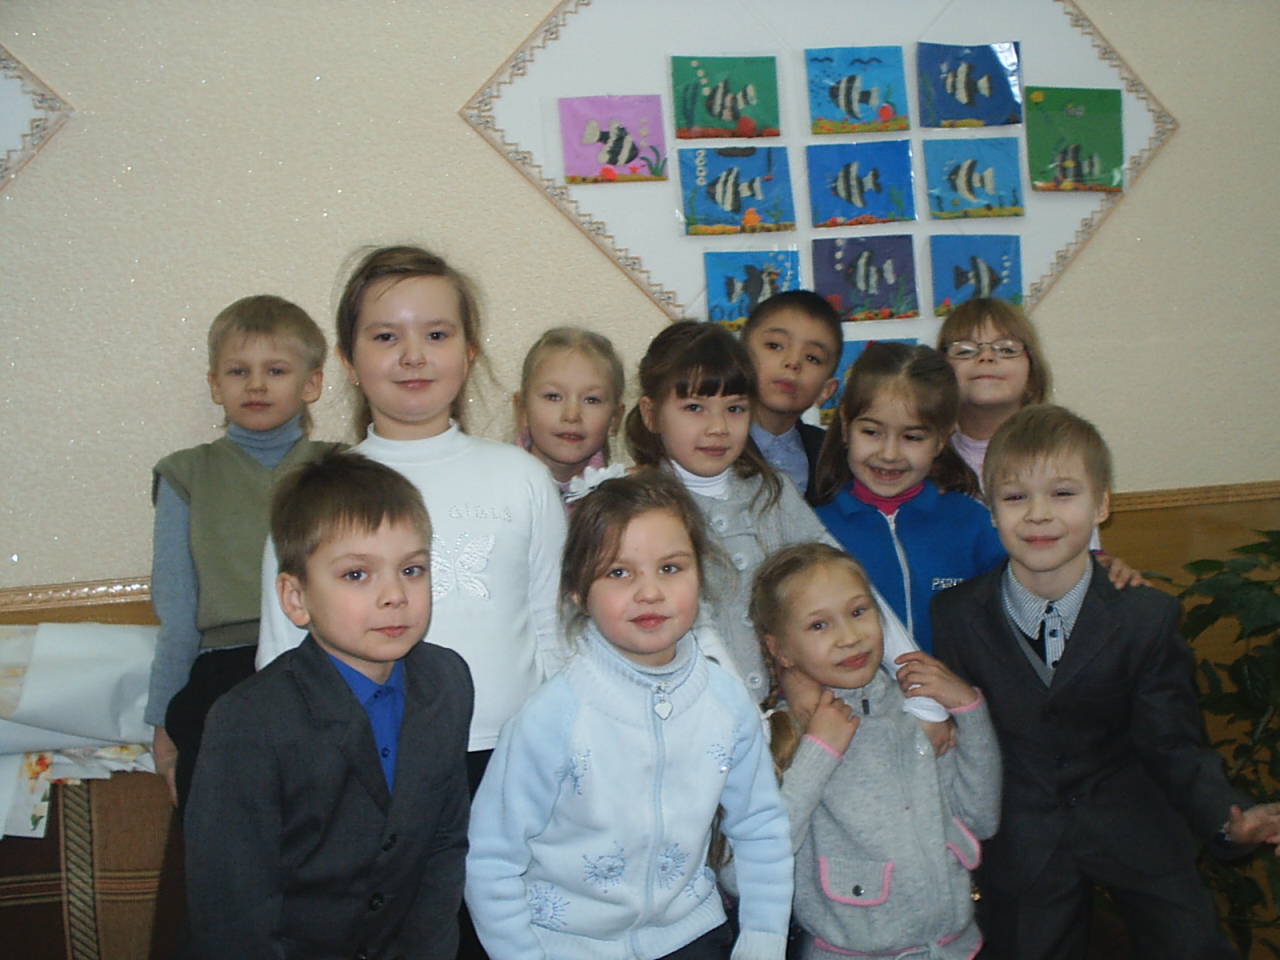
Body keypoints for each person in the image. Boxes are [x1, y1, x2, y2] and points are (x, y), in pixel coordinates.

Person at [253, 246, 567, 958]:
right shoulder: (316, 492)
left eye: (437, 333)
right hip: (368, 773)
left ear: (470, 350)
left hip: (510, 765)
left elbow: (553, 632)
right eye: (385, 336)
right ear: (347, 358)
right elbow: (281, 656)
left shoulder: (520, 478)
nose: (413, 356)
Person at [932, 404, 1280, 959]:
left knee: (1192, 946)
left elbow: (1174, 743)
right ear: (991, 510)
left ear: (1102, 505)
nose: (1038, 515)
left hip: (1135, 824)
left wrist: (1230, 819)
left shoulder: (1146, 615)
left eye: (1063, 494)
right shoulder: (955, 616)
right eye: (1016, 497)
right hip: (1021, 840)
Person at [465, 470, 793, 960]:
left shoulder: (725, 702)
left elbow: (761, 827)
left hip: (692, 936)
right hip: (567, 947)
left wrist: (764, 938)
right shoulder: (550, 717)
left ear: (700, 575)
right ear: (578, 591)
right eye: (619, 573)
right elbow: (492, 859)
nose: (649, 592)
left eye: (671, 568)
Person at [184, 450, 473, 959]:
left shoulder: (447, 681)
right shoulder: (249, 721)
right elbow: (232, 910)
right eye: (357, 575)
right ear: (296, 598)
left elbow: (444, 845)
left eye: (412, 569)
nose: (395, 595)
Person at [624, 321, 947, 734]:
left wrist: (920, 692)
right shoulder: (642, 510)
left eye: (735, 408)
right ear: (651, 414)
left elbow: (849, 585)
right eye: (694, 408)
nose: (718, 427)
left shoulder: (771, 492)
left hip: (788, 722)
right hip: (691, 728)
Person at [751, 543, 1000, 959]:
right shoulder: (777, 734)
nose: (850, 637)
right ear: (780, 649)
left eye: (858, 611)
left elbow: (981, 819)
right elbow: (745, 871)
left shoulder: (917, 713)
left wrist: (969, 711)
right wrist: (818, 753)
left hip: (956, 949)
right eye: (818, 625)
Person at [147, 294, 340, 809]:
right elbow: (177, 613)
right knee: (222, 825)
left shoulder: (343, 468)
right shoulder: (186, 476)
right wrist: (163, 719)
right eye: (238, 371)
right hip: (223, 672)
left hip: (323, 660)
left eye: (275, 370)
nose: (256, 385)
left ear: (312, 384)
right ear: (216, 385)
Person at [809, 342, 1004, 653]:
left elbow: (1012, 622)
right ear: (846, 427)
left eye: (912, 437)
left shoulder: (973, 523)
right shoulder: (816, 531)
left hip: (959, 684)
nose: (889, 454)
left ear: (941, 440)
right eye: (871, 432)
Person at [934, 297, 1049, 488]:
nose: (986, 356)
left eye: (1007, 349)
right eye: (965, 351)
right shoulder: (922, 462)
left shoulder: (1063, 454)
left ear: (1032, 377)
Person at [740, 291, 842, 499]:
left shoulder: (833, 457)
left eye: (812, 358)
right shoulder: (710, 443)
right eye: (775, 346)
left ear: (826, 390)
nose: (793, 362)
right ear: (740, 357)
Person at [512, 326, 625, 506]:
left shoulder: (622, 505)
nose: (572, 415)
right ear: (522, 410)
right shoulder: (492, 487)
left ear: (614, 419)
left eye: (591, 400)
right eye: (553, 397)